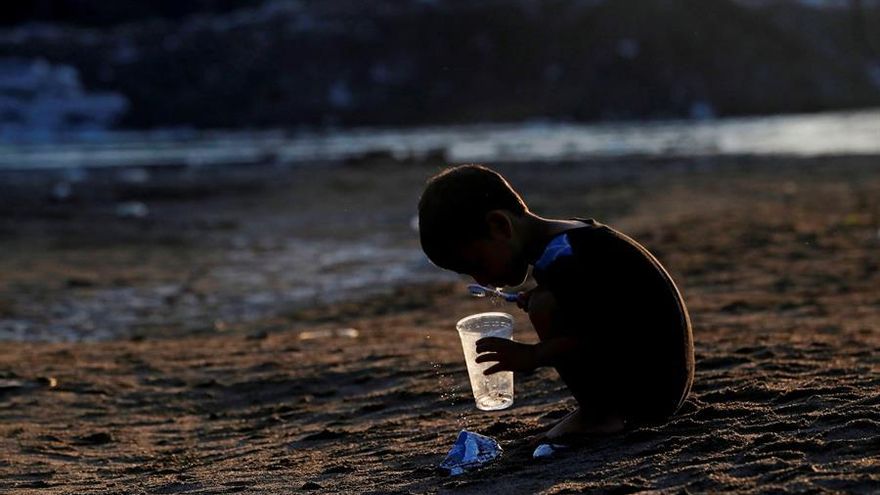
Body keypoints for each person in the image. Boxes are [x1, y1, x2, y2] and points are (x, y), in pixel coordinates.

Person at [418, 164, 694, 441]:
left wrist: (532, 356)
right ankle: (601, 411)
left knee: (545, 305)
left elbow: (600, 333)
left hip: (652, 392)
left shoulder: (561, 259)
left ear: (500, 226)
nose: (482, 280)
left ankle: (599, 415)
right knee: (544, 299)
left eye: (477, 264)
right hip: (664, 381)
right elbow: (608, 305)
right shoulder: (570, 239)